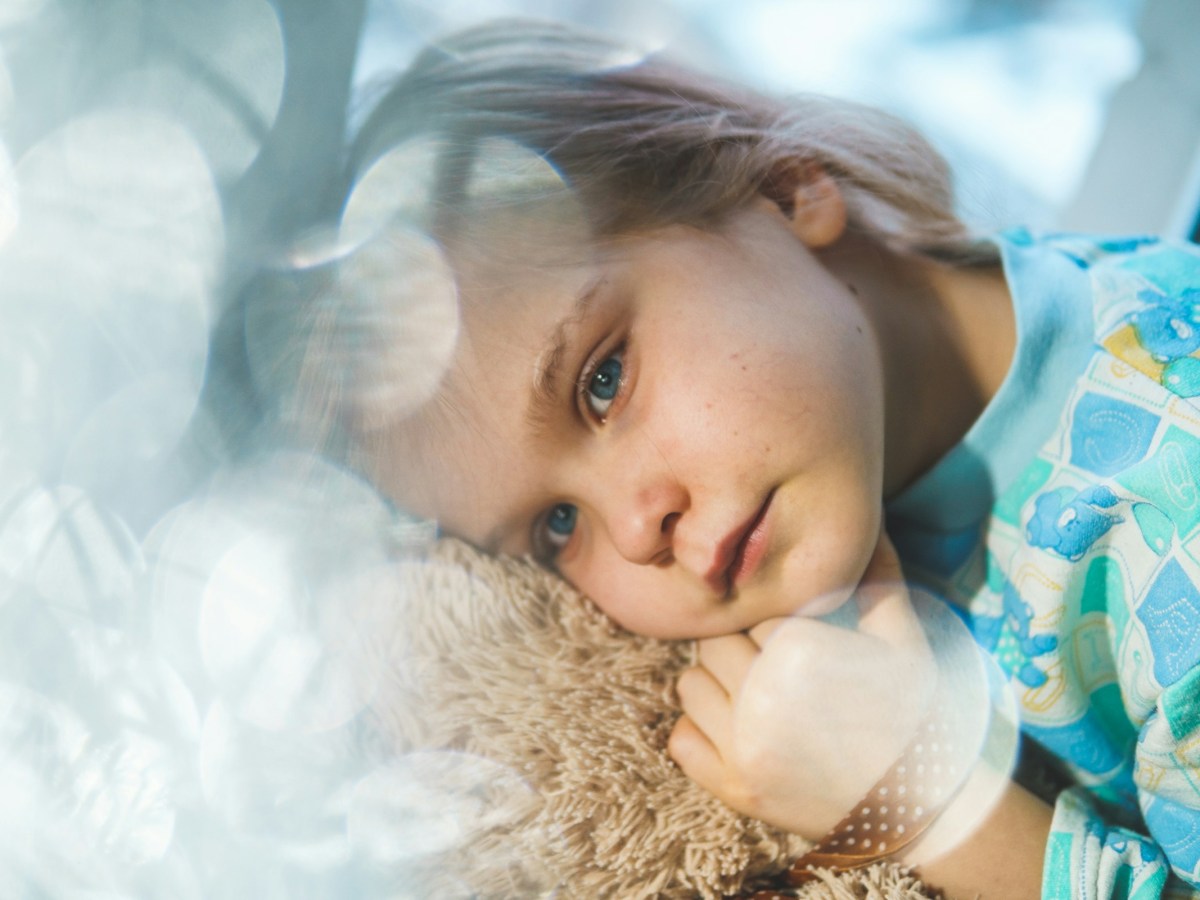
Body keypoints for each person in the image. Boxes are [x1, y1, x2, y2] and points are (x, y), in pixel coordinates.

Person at [251, 17, 1200, 899]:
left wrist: (928, 797)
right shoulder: (922, 369)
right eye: (556, 527)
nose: (633, 528)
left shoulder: (1170, 517)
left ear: (785, 190)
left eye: (603, 379)